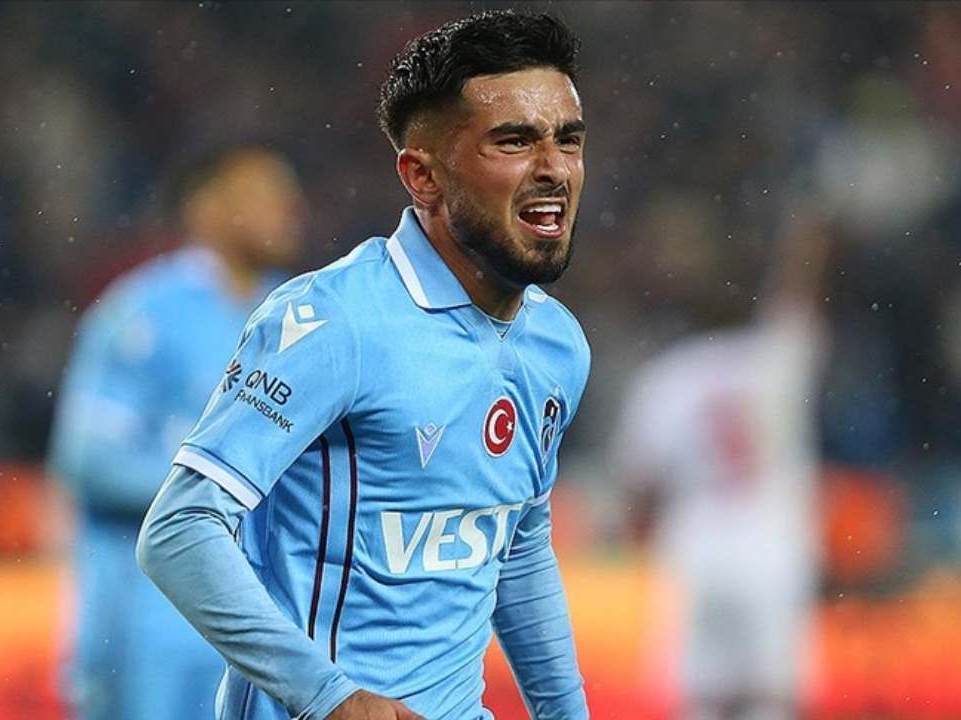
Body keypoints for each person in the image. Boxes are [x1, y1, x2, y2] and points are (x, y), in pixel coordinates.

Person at [137, 11, 591, 720]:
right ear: (422, 176)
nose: (553, 169)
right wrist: (331, 697)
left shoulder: (556, 345)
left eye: (568, 139)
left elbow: (519, 549)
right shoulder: (336, 321)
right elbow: (179, 529)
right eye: (514, 141)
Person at [49, 144, 306, 720]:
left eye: (288, 196)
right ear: (207, 208)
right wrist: (225, 489)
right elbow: (91, 460)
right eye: (262, 195)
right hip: (152, 621)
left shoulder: (300, 314)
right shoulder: (143, 313)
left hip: (265, 624)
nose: (288, 209)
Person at [614, 211, 833, 720]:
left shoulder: (667, 377)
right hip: (772, 545)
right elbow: (800, 295)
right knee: (770, 697)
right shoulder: (776, 358)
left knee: (703, 699)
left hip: (698, 546)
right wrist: (809, 235)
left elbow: (638, 491)